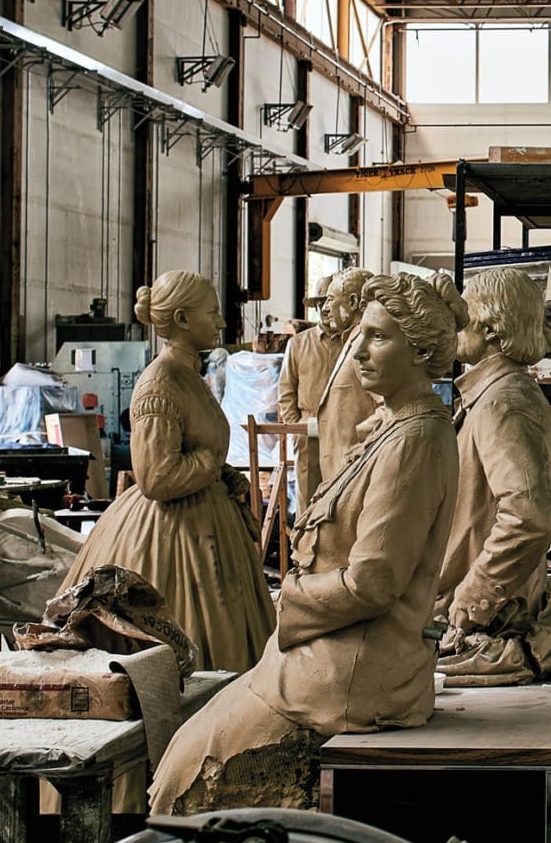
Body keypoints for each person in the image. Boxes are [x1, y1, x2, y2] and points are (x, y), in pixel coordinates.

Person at [149, 272, 462, 813]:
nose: (357, 351)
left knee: (192, 769)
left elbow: (374, 581)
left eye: (379, 338)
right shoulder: (392, 425)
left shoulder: (415, 439)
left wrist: (290, 600)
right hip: (330, 646)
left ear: (422, 352)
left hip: (357, 668)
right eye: (359, 333)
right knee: (186, 747)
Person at [57, 270, 272, 673]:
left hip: (205, 521)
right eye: (213, 313)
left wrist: (221, 472)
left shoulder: (187, 375)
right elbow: (156, 477)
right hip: (172, 532)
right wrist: (209, 463)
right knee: (189, 641)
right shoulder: (161, 383)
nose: (222, 323)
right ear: (184, 320)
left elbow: (194, 444)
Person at [434, 269, 551, 685]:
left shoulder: (502, 403)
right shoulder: (490, 395)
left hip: (491, 621)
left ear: (490, 325)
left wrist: (474, 598)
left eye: (463, 314)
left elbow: (528, 519)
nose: (455, 326)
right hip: (479, 609)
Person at [275, 267, 376, 509]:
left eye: (328, 301)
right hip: (308, 433)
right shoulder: (299, 344)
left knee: (342, 501)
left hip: (347, 433)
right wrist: (299, 428)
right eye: (320, 303)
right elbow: (286, 393)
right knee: (308, 502)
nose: (324, 309)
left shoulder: (356, 342)